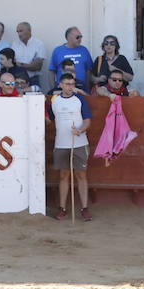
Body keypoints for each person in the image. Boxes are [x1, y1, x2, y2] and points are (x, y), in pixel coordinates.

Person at [47, 73, 92, 221]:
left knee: (81, 175)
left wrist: (81, 130)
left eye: (72, 84)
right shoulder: (54, 100)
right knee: (64, 175)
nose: (70, 87)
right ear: (60, 84)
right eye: (67, 84)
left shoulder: (80, 99)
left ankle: (85, 208)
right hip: (61, 144)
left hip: (79, 142)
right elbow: (50, 120)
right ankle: (62, 208)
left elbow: (87, 120)